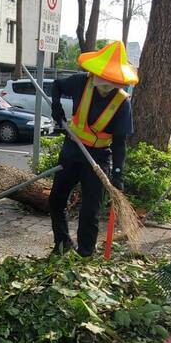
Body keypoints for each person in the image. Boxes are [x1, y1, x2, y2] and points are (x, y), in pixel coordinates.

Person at [49, 40, 136, 257]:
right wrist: (56, 107)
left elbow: (119, 142)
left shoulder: (122, 103)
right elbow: (57, 86)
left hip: (97, 157)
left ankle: (85, 253)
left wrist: (118, 173)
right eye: (104, 79)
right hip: (71, 150)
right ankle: (62, 243)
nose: (107, 85)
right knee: (56, 199)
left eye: (112, 81)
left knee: (90, 209)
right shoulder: (81, 83)